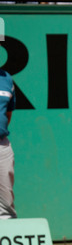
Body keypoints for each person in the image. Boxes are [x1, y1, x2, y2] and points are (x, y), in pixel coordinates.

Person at [0, 66, 17, 219]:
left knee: (6, 207)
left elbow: (7, 113)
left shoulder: (6, 79)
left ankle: (5, 238)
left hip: (2, 145)